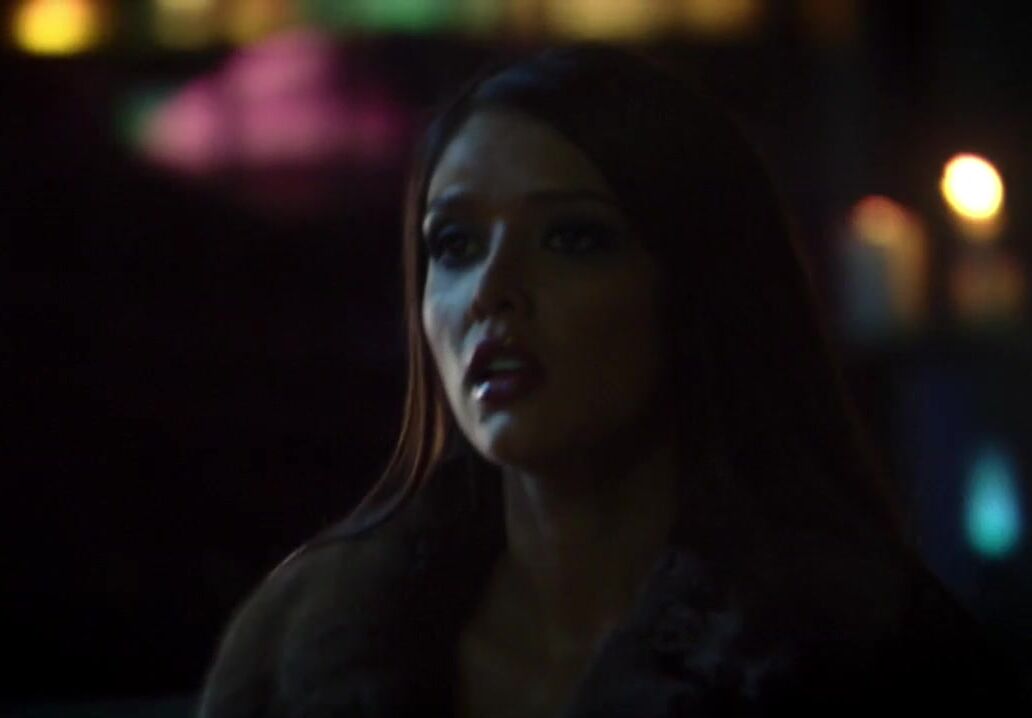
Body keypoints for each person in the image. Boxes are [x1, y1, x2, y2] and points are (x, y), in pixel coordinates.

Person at [197, 44, 1026, 717]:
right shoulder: (303, 652)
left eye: (573, 238)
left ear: (695, 287)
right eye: (455, 245)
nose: (491, 291)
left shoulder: (867, 657)